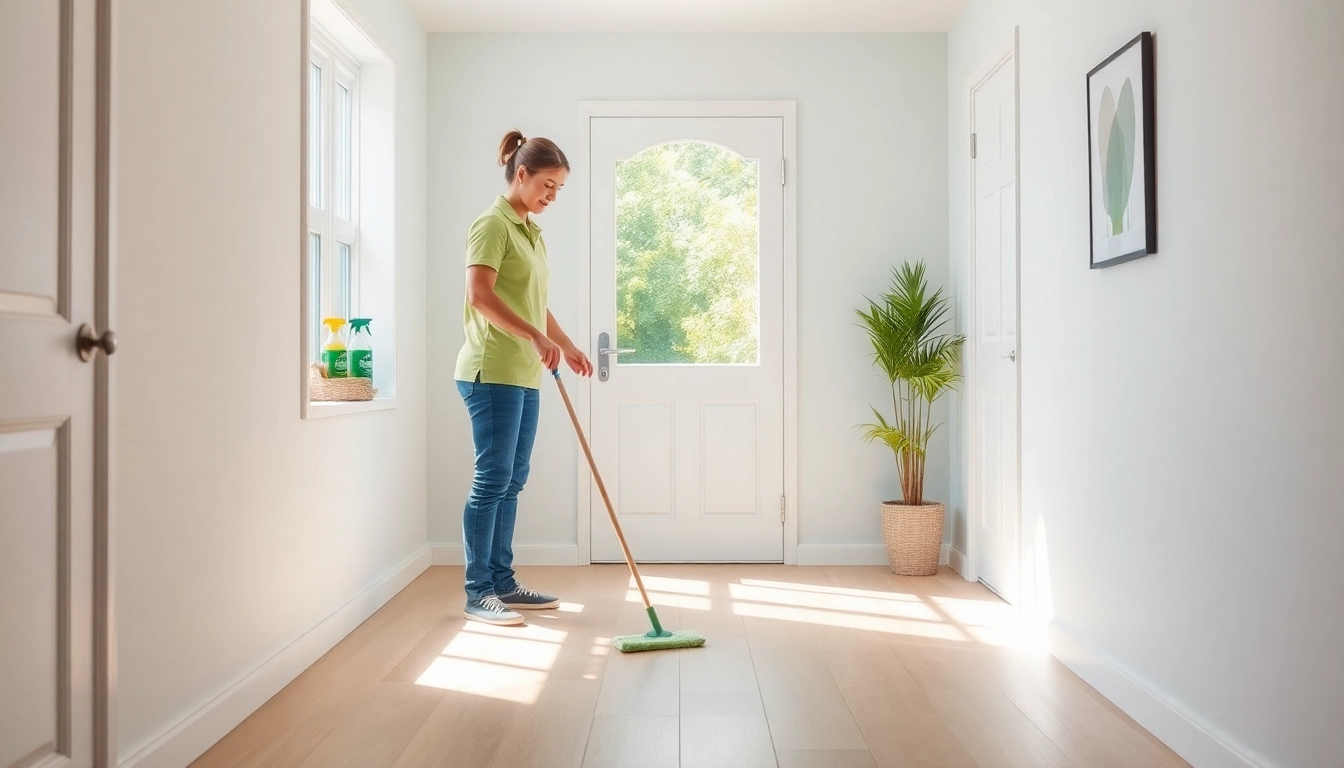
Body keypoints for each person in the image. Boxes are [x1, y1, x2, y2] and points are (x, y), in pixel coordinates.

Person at [453, 130, 593, 626]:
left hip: (524, 371)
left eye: (559, 189)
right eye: (548, 185)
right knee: (491, 480)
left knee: (513, 480)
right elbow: (480, 296)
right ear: (521, 173)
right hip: (491, 369)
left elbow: (533, 302)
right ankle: (478, 591)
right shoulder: (492, 224)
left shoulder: (530, 230)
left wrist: (567, 345)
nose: (552, 196)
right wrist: (535, 337)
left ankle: (504, 582)